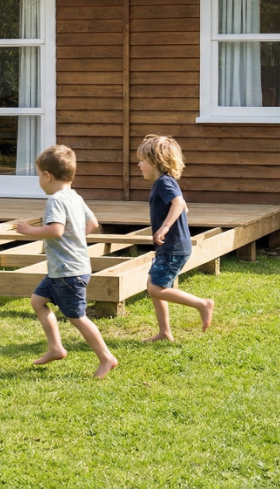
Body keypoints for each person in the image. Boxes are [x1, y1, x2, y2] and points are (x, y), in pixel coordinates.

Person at [15, 145, 118, 379]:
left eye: (39, 176)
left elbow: (56, 230)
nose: (39, 181)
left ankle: (106, 358)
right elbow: (92, 223)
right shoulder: (75, 197)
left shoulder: (56, 200)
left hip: (67, 272)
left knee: (77, 317)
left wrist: (30, 230)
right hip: (64, 269)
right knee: (38, 301)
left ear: (47, 176)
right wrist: (75, 237)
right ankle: (55, 348)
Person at [137, 134, 214, 342]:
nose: (139, 165)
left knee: (156, 288)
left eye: (142, 160)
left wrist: (165, 227)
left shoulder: (163, 182)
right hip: (172, 246)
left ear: (155, 161)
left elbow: (179, 203)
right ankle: (164, 332)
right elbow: (183, 206)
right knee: (154, 286)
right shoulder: (166, 182)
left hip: (173, 247)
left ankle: (202, 304)